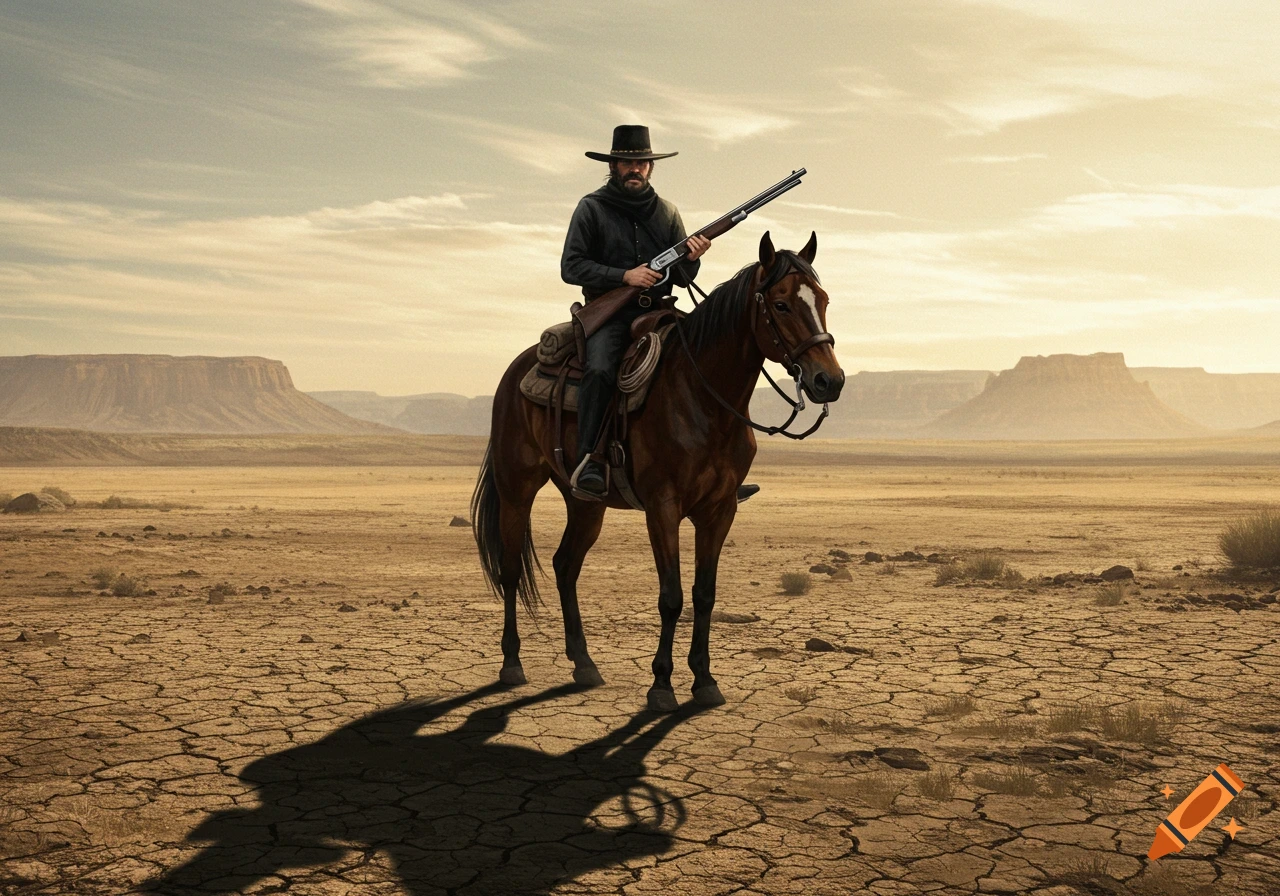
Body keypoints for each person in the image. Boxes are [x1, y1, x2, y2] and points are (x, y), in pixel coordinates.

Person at [561, 125, 758, 504]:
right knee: (600, 369)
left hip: (662, 312)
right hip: (610, 316)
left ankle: (723, 469)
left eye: (641, 163)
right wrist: (624, 275)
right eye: (626, 163)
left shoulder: (667, 212)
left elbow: (681, 279)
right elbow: (572, 266)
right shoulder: (591, 208)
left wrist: (693, 257)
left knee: (715, 360)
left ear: (651, 167)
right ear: (614, 166)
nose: (634, 169)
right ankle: (591, 461)